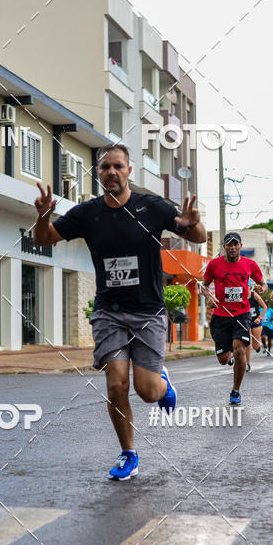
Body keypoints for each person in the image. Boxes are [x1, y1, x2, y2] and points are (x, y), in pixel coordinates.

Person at [33, 142, 206, 481]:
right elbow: (44, 239)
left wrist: (192, 225)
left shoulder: (151, 207)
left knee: (147, 391)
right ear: (98, 173)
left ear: (129, 171)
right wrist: (41, 215)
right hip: (109, 311)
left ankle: (163, 384)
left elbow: (197, 236)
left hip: (148, 311)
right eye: (104, 167)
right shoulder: (88, 213)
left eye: (117, 166)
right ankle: (129, 453)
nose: (111, 172)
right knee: (116, 385)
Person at [202, 232, 267, 405]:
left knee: (239, 349)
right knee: (223, 359)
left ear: (240, 246)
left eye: (235, 244)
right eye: (229, 244)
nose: (232, 247)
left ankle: (235, 391)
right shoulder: (214, 265)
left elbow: (263, 284)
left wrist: (262, 289)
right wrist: (209, 297)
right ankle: (228, 356)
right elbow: (204, 285)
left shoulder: (250, 264)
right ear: (224, 247)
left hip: (242, 314)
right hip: (221, 316)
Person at [246, 285, 268, 372]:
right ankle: (247, 364)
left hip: (256, 321)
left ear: (250, 287)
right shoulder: (240, 296)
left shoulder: (254, 295)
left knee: (255, 346)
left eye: (246, 286)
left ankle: (258, 347)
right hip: (245, 321)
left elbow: (265, 307)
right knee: (247, 343)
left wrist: (259, 317)